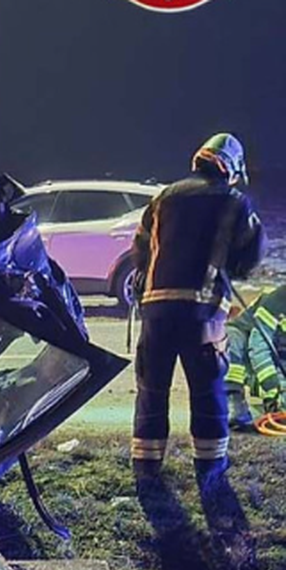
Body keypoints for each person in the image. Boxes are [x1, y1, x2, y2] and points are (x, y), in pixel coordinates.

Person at [130, 133, 265, 487]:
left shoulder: (162, 198)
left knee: (151, 391)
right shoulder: (235, 202)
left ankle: (146, 469)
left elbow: (140, 252)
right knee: (207, 392)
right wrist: (230, 269)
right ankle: (210, 471)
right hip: (201, 314)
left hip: (156, 311)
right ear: (232, 168)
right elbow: (250, 253)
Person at [224, 285, 286, 429]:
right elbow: (259, 348)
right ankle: (233, 401)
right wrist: (273, 389)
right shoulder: (278, 299)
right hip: (247, 350)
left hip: (276, 356)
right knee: (231, 337)